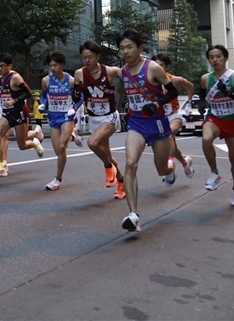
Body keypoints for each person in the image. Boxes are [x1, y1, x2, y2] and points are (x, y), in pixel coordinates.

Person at [118, 29, 180, 232]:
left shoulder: (152, 68)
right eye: (122, 48)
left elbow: (172, 91)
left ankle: (171, 168)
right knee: (129, 163)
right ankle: (133, 214)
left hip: (157, 123)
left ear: (140, 48)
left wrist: (156, 103)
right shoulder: (123, 71)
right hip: (136, 123)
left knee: (161, 169)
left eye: (129, 47)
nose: (125, 52)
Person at [72, 41, 126, 200]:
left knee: (93, 143)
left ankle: (108, 168)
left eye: (90, 57)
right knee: (107, 153)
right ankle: (121, 180)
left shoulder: (110, 71)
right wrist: (75, 98)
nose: (87, 61)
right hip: (93, 118)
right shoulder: (79, 74)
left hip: (109, 117)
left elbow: (129, 76)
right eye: (83, 58)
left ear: (98, 56)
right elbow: (76, 96)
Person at [198, 44, 234, 206]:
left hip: (232, 120)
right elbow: (202, 97)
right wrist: (200, 105)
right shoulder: (205, 79)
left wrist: (227, 92)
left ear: (225, 58)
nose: (215, 60)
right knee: (206, 140)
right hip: (214, 118)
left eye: (218, 56)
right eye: (212, 57)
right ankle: (214, 173)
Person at [0, 53, 45, 177]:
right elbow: (1, 93)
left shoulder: (15, 78)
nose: (0, 69)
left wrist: (14, 101)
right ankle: (1, 166)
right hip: (7, 114)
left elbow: (28, 93)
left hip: (19, 113)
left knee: (22, 145)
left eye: (2, 66)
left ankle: (35, 139)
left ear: (10, 66)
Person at [38, 51, 80, 191]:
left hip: (67, 116)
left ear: (62, 65)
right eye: (50, 65)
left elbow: (81, 97)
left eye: (55, 65)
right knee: (58, 151)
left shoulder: (71, 81)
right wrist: (42, 103)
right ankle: (73, 136)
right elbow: (44, 96)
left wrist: (74, 108)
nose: (53, 68)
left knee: (62, 147)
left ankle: (58, 179)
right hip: (53, 116)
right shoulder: (46, 80)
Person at [150, 53, 195, 178]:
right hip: (159, 118)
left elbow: (190, 86)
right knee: (172, 145)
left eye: (161, 65)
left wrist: (189, 104)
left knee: (168, 135)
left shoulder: (175, 80)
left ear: (166, 67)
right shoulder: (148, 81)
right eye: (155, 65)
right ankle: (186, 163)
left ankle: (169, 164)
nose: (158, 68)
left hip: (174, 116)